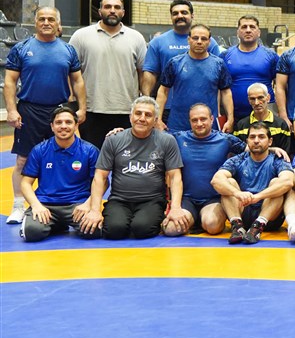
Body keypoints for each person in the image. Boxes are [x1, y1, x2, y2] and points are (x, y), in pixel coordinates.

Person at [6, 6, 87, 224]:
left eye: (51, 19)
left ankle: (66, 201)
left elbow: (78, 81)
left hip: (60, 110)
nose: (46, 22)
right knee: (23, 160)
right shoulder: (21, 48)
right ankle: (18, 205)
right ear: (35, 22)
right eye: (42, 19)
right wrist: (12, 110)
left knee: (65, 157)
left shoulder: (68, 50)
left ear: (58, 23)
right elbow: (10, 81)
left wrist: (82, 108)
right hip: (30, 111)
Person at [89, 97, 187, 240]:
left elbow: (175, 177)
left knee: (142, 229)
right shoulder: (114, 139)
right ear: (130, 117)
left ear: (155, 120)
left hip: (152, 200)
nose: (142, 118)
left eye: (148, 115)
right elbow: (100, 176)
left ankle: (143, 220)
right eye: (138, 113)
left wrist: (176, 208)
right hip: (120, 200)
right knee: (114, 230)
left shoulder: (167, 141)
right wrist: (94, 210)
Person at [68, 0, 146, 148]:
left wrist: (143, 100)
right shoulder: (81, 36)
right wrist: (73, 100)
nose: (112, 10)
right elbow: (70, 71)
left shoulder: (136, 37)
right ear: (99, 11)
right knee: (93, 156)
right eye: (107, 7)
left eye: (117, 7)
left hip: (126, 110)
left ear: (123, 12)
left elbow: (142, 72)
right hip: (91, 109)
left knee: (124, 157)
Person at [18, 106, 101, 242]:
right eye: (58, 122)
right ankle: (57, 223)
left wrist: (88, 204)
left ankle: (57, 223)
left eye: (68, 122)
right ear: (52, 126)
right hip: (46, 204)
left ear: (76, 126)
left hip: (77, 204)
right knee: (31, 232)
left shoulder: (90, 151)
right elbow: (25, 183)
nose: (63, 126)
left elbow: (102, 182)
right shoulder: (39, 150)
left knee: (94, 231)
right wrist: (36, 205)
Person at [167, 103, 248, 236]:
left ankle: (203, 220)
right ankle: (194, 220)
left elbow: (252, 150)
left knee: (212, 225)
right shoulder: (178, 138)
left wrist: (273, 149)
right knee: (171, 229)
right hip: (186, 199)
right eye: (194, 120)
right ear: (189, 121)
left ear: (211, 119)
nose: (199, 123)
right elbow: (155, 139)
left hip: (213, 199)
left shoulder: (225, 139)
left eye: (203, 119)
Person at [210, 121, 295, 244]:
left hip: (269, 217)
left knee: (277, 182)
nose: (256, 141)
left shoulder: (278, 159)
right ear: (247, 141)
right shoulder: (238, 159)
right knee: (228, 183)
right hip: (244, 211)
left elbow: (288, 181)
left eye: (261, 137)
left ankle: (258, 226)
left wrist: (258, 197)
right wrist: (237, 193)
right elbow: (216, 180)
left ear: (270, 141)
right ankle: (237, 227)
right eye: (252, 137)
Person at [156, 24, 233, 134]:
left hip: (208, 127)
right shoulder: (175, 63)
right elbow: (163, 91)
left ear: (209, 41)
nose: (199, 42)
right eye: (195, 38)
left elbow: (226, 93)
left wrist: (230, 119)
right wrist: (158, 119)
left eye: (204, 39)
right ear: (189, 40)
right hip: (178, 125)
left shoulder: (219, 64)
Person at [141, 0, 219, 99]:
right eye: (175, 13)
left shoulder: (209, 42)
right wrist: (146, 99)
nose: (179, 16)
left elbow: (218, 76)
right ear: (171, 17)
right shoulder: (157, 43)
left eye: (184, 12)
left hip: (201, 104)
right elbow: (150, 73)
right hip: (167, 104)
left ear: (192, 15)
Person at [223, 14, 279, 123]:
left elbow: (281, 86)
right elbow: (222, 89)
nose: (248, 30)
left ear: (259, 32)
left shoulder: (271, 56)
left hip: (265, 114)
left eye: (252, 27)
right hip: (235, 115)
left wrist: (281, 112)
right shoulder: (225, 56)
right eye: (244, 27)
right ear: (237, 32)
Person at [233, 83, 292, 151]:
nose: (256, 103)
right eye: (252, 99)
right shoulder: (241, 125)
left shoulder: (280, 124)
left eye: (260, 98)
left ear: (268, 98)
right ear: (249, 100)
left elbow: (284, 152)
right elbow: (238, 151)